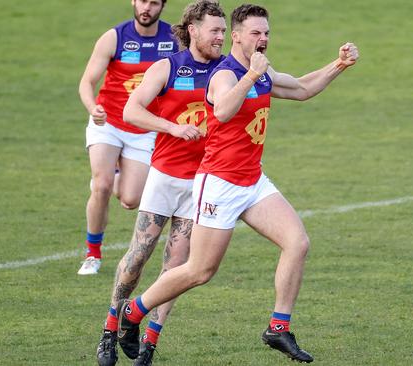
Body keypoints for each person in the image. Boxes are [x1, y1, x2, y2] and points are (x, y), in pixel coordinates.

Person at [114, 3, 360, 364]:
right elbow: (223, 110)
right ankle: (133, 311)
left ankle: (278, 328)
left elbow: (303, 88)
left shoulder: (263, 71)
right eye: (257, 33)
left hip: (253, 181)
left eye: (267, 33)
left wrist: (338, 64)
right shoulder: (225, 75)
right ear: (238, 36)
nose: (264, 39)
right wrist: (250, 75)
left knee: (297, 242)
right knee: (200, 271)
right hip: (220, 184)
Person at [95, 1, 227, 365]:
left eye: (223, 31)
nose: (221, 37)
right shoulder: (168, 67)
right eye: (214, 30)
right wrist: (172, 127)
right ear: (194, 30)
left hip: (202, 182)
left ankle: (149, 345)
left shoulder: (227, 70)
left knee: (178, 268)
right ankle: (110, 329)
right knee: (138, 257)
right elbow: (130, 110)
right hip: (166, 176)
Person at [78, 0, 178, 275]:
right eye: (142, 0)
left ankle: (117, 172)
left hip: (145, 128)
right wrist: (92, 109)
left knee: (130, 200)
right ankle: (92, 254)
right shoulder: (115, 38)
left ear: (162, 6)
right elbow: (87, 82)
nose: (147, 8)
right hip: (108, 121)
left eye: (154, 3)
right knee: (101, 185)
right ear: (133, 2)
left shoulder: (173, 39)